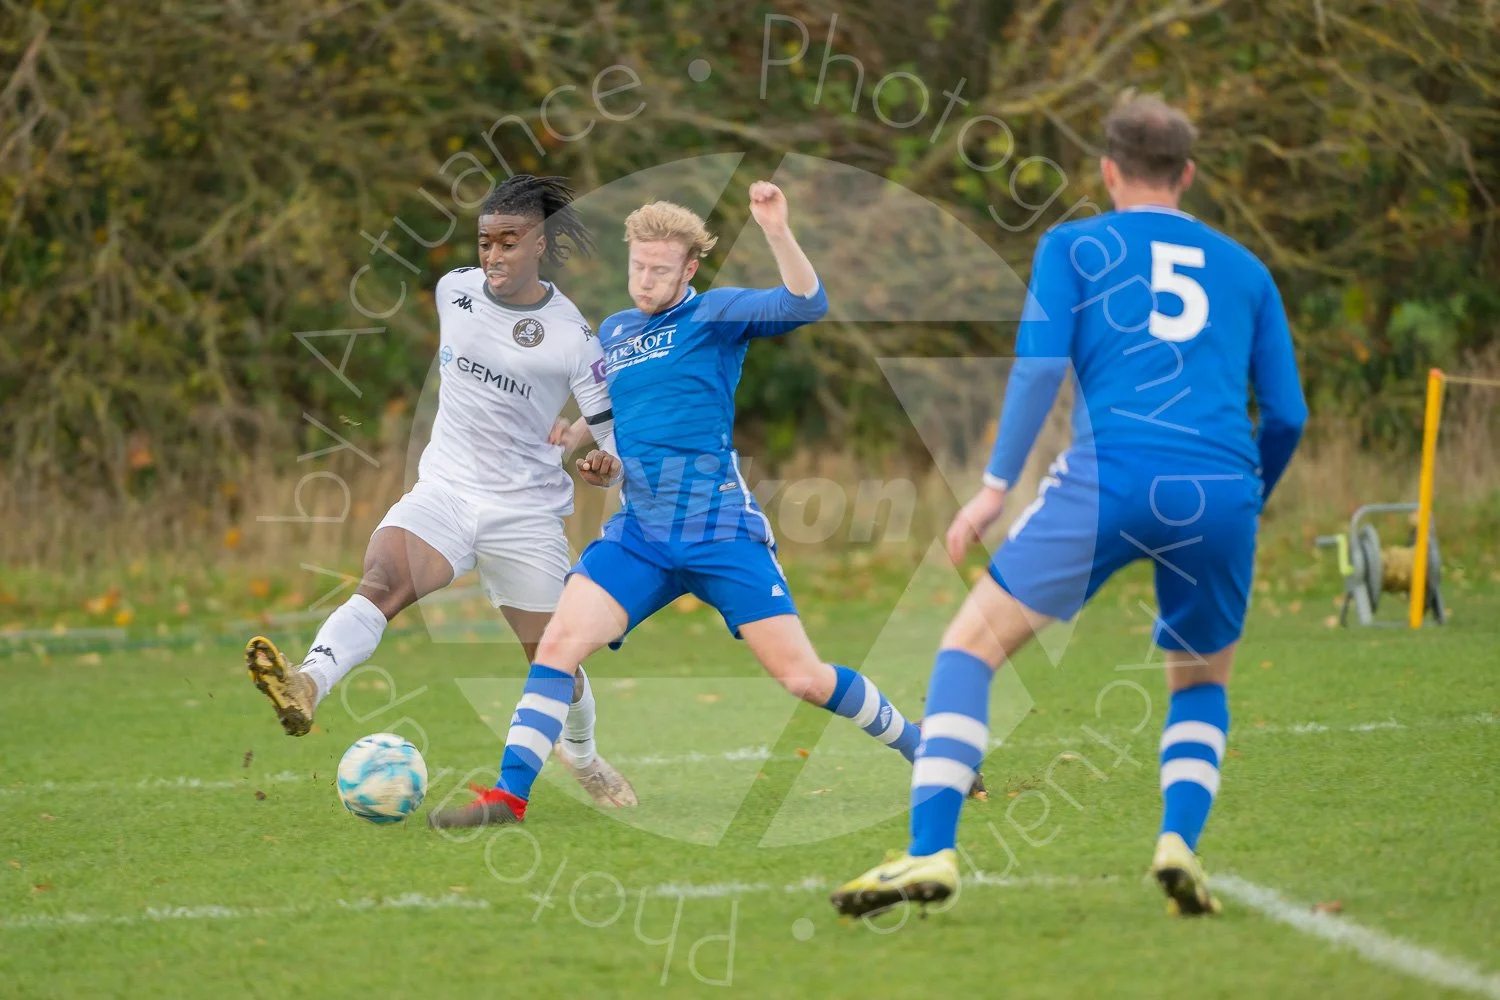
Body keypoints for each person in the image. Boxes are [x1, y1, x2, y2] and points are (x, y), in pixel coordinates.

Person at [831, 94, 1307, 918]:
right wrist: (1249, 495)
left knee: (968, 650)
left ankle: (931, 850)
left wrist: (993, 487)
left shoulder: (1074, 244)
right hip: (1222, 488)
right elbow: (1290, 414)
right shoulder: (1248, 270)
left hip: (1111, 477)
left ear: (1108, 170)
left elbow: (1038, 366)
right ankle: (1177, 843)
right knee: (1198, 683)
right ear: (1187, 175)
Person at [427, 183, 931, 829]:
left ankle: (923, 749)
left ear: (689, 269)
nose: (645, 280)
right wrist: (580, 433)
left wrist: (775, 228)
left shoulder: (715, 316)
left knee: (803, 678)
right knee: (556, 645)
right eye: (637, 266)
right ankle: (508, 798)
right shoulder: (616, 329)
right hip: (641, 533)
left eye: (660, 270)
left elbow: (809, 303)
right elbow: (617, 402)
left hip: (719, 530)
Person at [246, 174, 638, 808]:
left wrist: (603, 465)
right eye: (485, 242)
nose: (493, 257)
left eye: (510, 242)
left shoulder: (572, 337)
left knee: (555, 662)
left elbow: (611, 429)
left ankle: (586, 758)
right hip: (447, 491)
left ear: (540, 244)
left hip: (527, 514)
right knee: (381, 579)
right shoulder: (453, 291)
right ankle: (308, 682)